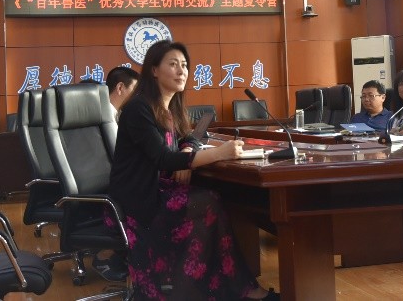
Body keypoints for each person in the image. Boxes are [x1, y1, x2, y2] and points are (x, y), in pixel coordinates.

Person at [108, 40, 279, 300]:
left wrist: (188, 150)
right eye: (173, 64)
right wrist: (219, 153)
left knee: (212, 200)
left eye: (185, 65)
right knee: (208, 202)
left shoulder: (168, 108)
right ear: (154, 70)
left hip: (157, 190)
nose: (182, 71)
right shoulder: (138, 108)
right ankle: (222, 290)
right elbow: (163, 158)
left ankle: (229, 289)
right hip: (137, 200)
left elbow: (188, 137)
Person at [88, 67, 141, 282]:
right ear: (120, 88)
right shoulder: (106, 118)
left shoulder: (112, 115)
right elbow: (120, 158)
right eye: (134, 90)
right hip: (105, 189)